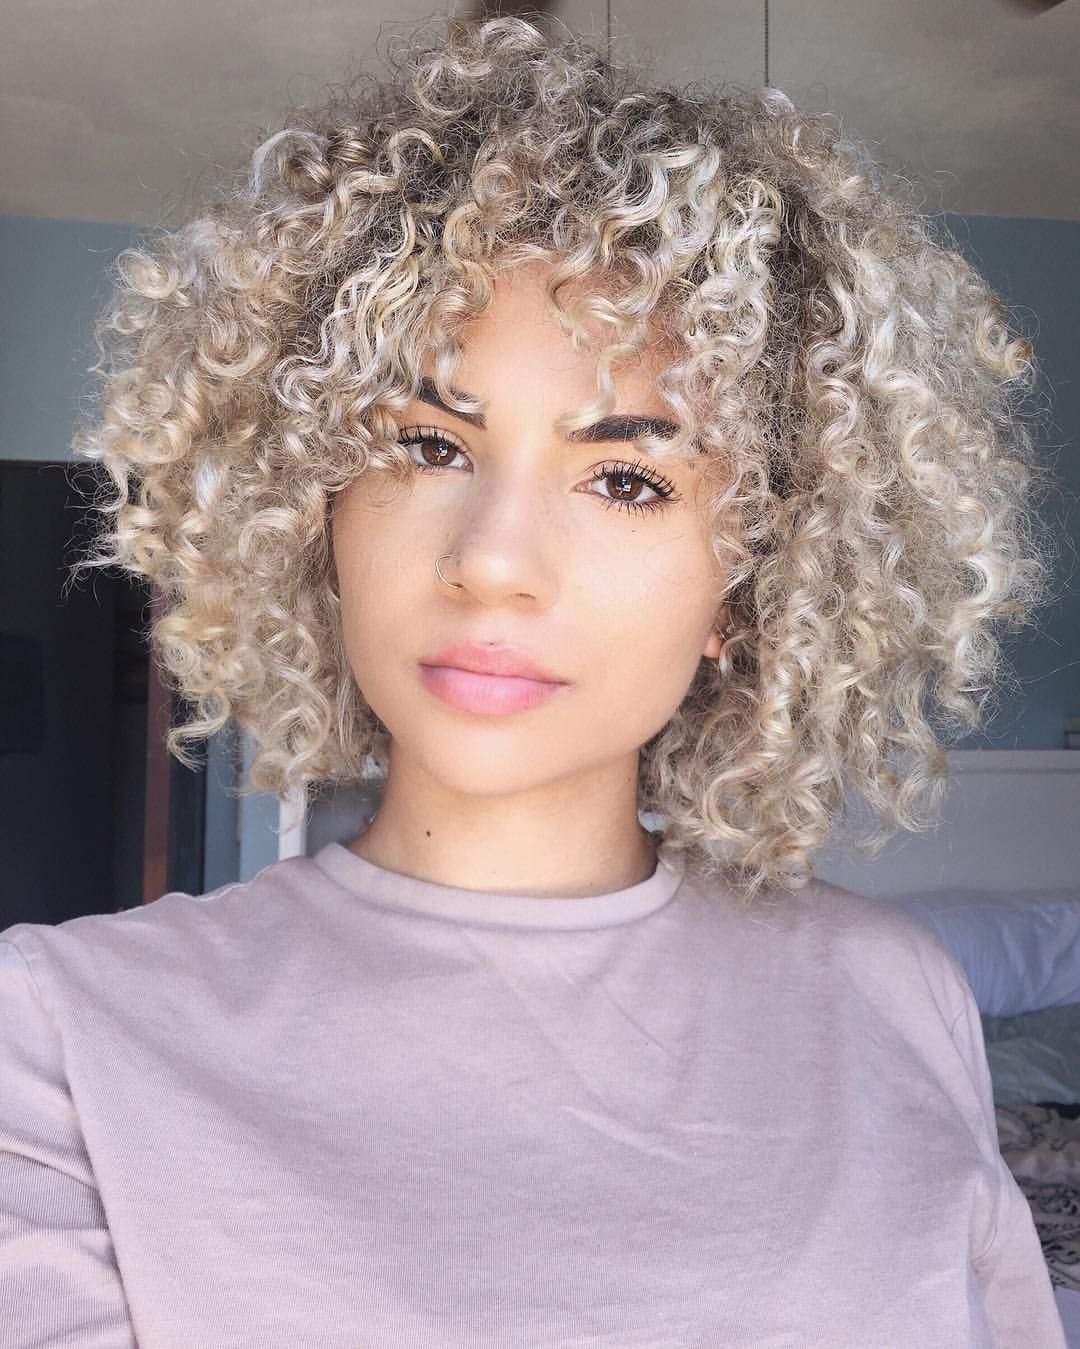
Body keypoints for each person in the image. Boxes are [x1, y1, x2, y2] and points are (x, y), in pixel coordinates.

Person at [0, 13, 1067, 1347]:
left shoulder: (897, 996)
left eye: (627, 478)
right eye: (426, 447)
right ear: (318, 507)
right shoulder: (58, 1030)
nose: (493, 562)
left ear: (749, 583)